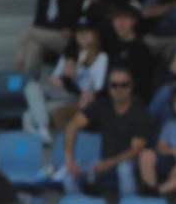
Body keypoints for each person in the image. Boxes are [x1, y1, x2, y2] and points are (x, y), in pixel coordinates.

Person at [61, 64, 153, 197]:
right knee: (68, 175)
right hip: (104, 161)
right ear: (109, 87)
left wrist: (110, 163)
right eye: (114, 85)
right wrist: (69, 160)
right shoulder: (102, 105)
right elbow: (72, 126)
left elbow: (136, 150)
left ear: (131, 86)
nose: (119, 89)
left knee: (124, 169)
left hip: (132, 163)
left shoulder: (140, 112)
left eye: (124, 84)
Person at [22, 17, 107, 143]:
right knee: (31, 87)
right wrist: (59, 80)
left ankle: (42, 130)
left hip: (77, 96)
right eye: (79, 33)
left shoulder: (101, 57)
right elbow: (54, 77)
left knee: (28, 116)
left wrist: (72, 79)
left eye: (87, 32)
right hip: (59, 92)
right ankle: (43, 129)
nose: (82, 36)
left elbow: (97, 88)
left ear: (94, 35)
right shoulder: (71, 53)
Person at [15, 0, 84, 74]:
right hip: (46, 34)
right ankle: (28, 78)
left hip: (66, 37)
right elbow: (38, 20)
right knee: (34, 45)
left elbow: (69, 17)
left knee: (27, 32)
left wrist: (68, 29)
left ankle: (19, 63)